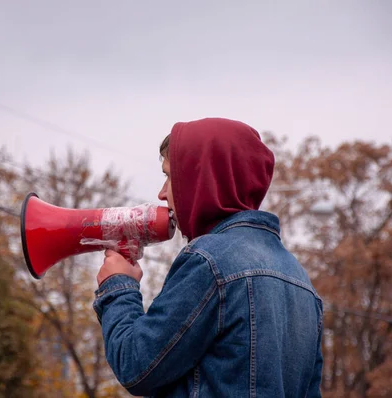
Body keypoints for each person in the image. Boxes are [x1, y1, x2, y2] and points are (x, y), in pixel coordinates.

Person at [93, 117, 323, 397]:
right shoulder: (300, 279)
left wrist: (119, 286)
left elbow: (136, 365)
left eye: (169, 176)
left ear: (201, 179)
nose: (162, 194)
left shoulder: (209, 261)